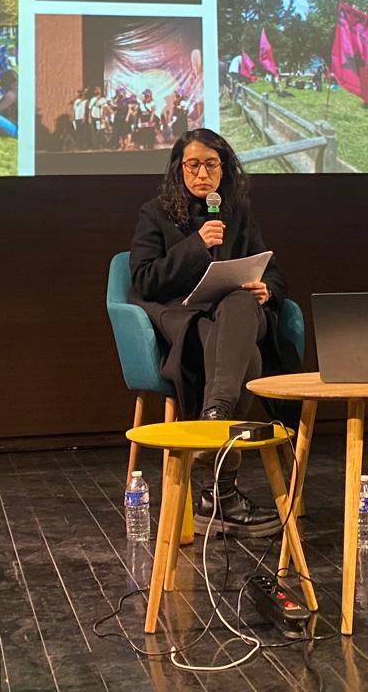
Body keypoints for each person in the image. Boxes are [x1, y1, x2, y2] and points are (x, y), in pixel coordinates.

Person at [127, 129, 301, 535]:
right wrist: (195, 245)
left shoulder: (237, 212)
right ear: (178, 169)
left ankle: (214, 418)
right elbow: (144, 280)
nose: (202, 174)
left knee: (238, 301)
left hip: (241, 316)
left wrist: (267, 289)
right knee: (247, 360)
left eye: (211, 165)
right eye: (193, 165)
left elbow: (272, 269)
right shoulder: (155, 214)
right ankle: (218, 493)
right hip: (189, 320)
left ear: (225, 169)